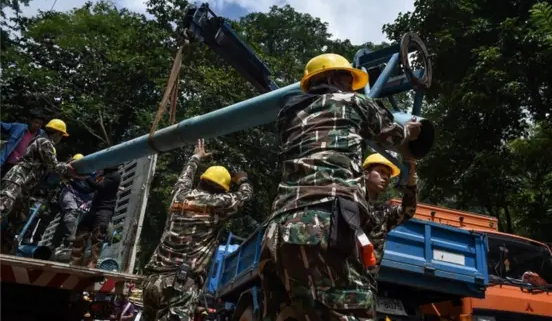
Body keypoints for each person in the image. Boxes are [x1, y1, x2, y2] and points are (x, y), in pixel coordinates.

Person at [259, 53, 423, 321]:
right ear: (334, 78)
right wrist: (410, 132)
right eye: (348, 80)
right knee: (356, 312)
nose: (352, 87)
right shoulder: (354, 102)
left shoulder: (289, 117)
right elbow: (393, 133)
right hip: (324, 222)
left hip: (279, 229)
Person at [141, 139, 253, 321]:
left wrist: (196, 157)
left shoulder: (180, 195)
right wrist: (243, 179)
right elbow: (245, 196)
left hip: (152, 281)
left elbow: (184, 177)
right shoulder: (217, 204)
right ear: (222, 191)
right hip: (179, 285)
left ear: (202, 180)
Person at [0, 118, 74, 254]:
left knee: (19, 217)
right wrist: (69, 167)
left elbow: (50, 169)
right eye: (61, 135)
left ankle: (5, 246)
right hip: (18, 178)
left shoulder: (46, 143)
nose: (61, 139)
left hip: (26, 186)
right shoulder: (44, 142)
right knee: (3, 207)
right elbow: (54, 166)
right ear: (57, 133)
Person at [362, 153, 417, 274]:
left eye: (388, 174)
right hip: (341, 274)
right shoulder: (350, 202)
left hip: (365, 280)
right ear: (366, 174)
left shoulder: (384, 212)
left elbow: (407, 210)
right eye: (381, 171)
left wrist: (411, 183)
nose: (386, 177)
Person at [69, 163, 122, 268]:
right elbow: (88, 189)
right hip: (94, 209)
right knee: (81, 232)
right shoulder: (103, 175)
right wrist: (72, 181)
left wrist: (85, 176)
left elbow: (100, 187)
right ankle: (75, 262)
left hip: (104, 210)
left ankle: (92, 263)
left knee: (97, 236)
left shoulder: (115, 175)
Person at [52, 153, 98, 252]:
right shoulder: (67, 170)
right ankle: (70, 240)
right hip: (69, 195)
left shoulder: (89, 173)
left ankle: (60, 243)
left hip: (84, 199)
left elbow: (89, 188)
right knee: (71, 213)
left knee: (68, 221)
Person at [0, 112, 46, 177]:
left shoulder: (41, 135)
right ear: (30, 121)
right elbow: (2, 126)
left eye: (40, 124)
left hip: (21, 168)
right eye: (36, 122)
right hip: (6, 163)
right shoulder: (18, 127)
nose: (37, 125)